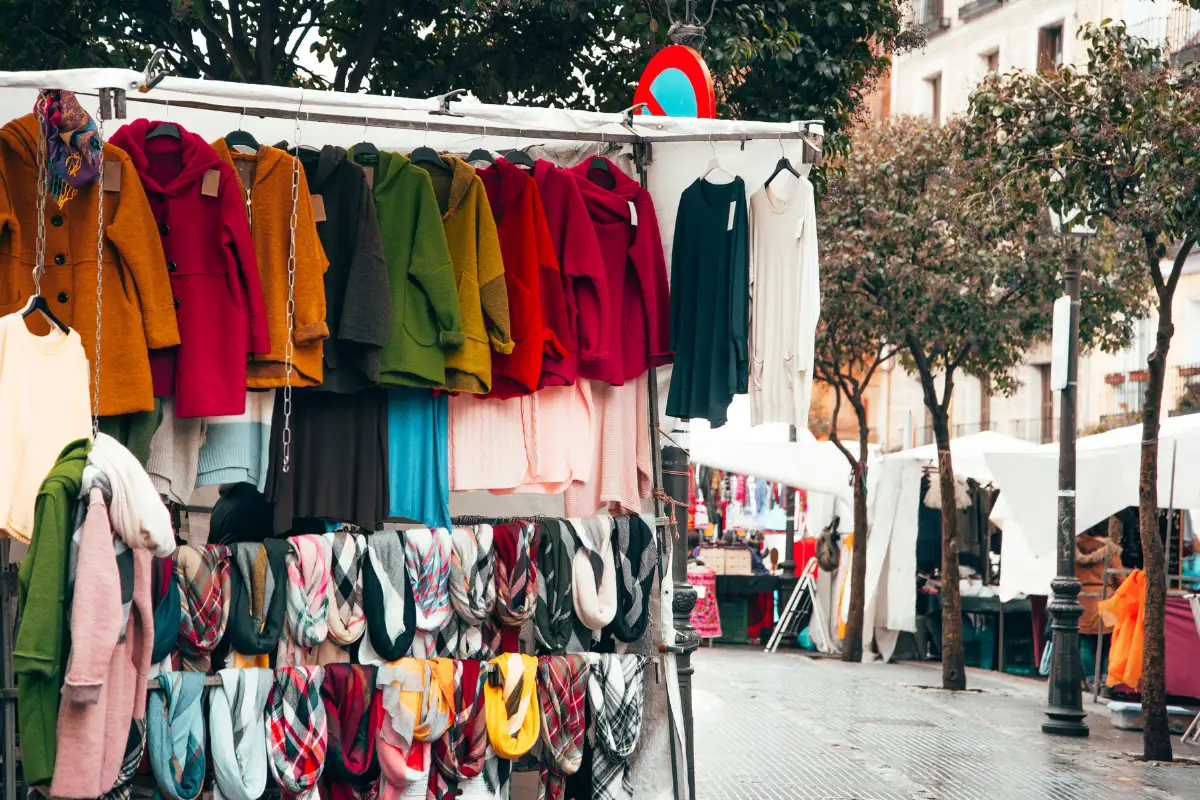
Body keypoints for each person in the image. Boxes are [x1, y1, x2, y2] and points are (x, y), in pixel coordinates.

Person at [1077, 520, 1125, 690]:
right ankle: (1106, 683)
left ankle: (1091, 681)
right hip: (1107, 598)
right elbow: (1120, 577)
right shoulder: (1109, 549)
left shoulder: (1071, 548)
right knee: (1106, 642)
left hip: (1082, 598)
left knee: (1086, 642)